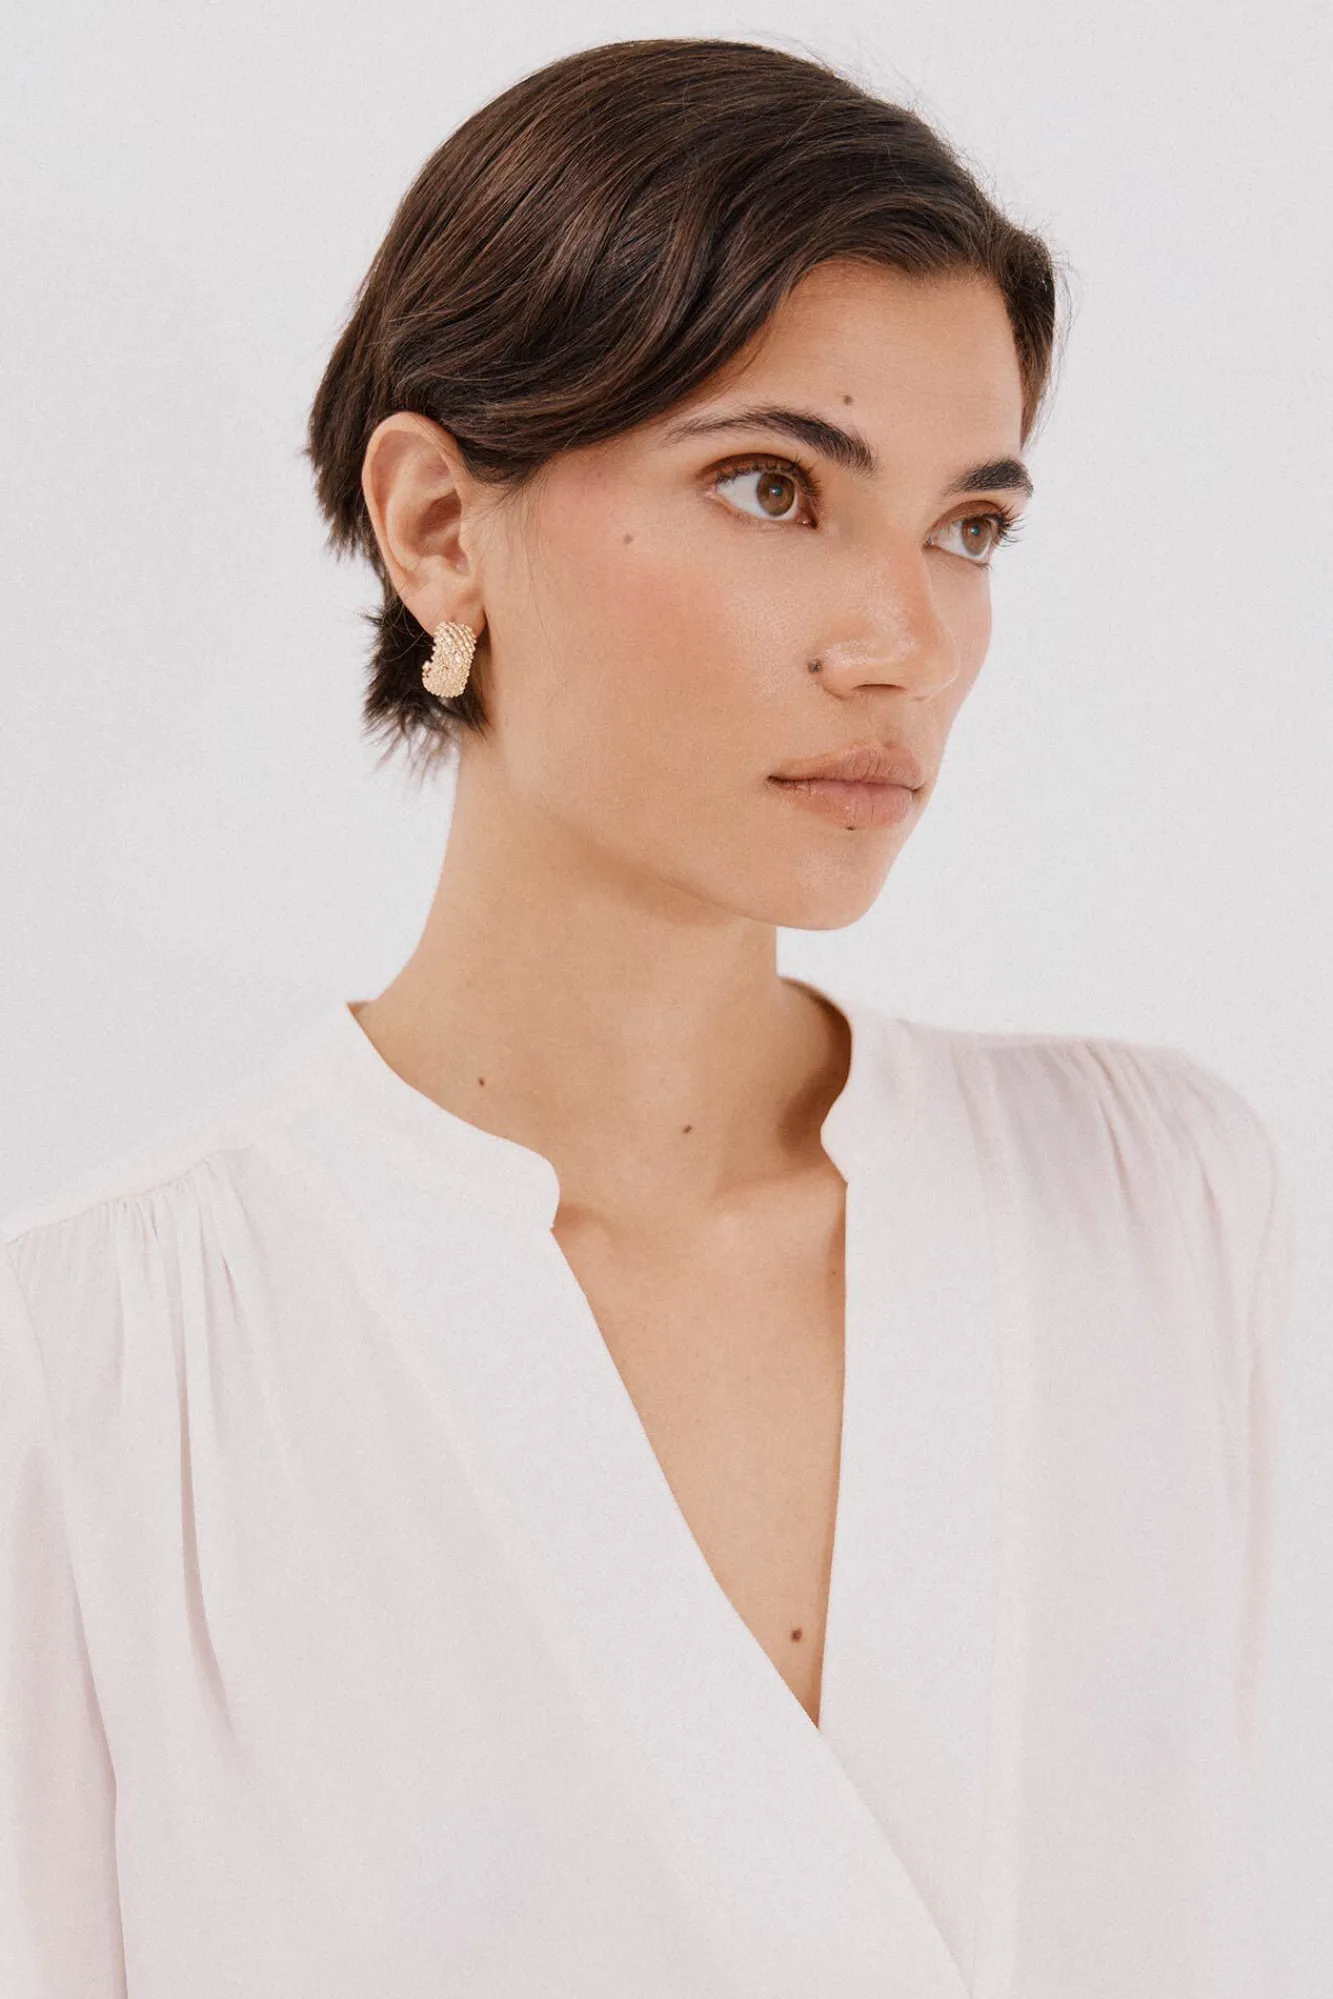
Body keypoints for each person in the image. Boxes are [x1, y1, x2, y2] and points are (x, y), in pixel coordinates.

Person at [0, 35, 1294, 1999]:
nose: (905, 643)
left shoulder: (1159, 1203)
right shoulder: (106, 1378)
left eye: (969, 527)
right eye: (775, 488)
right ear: (440, 528)